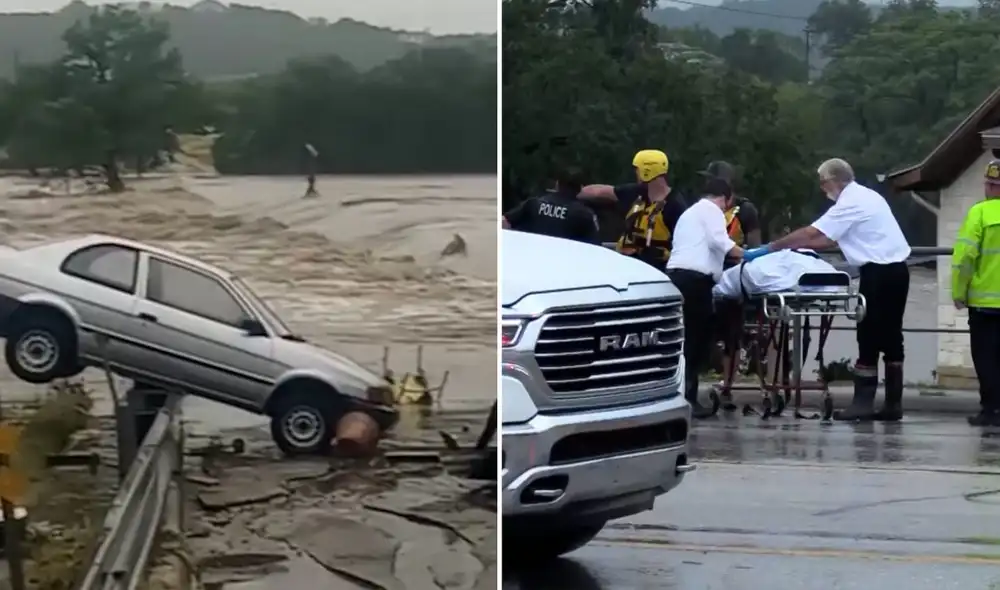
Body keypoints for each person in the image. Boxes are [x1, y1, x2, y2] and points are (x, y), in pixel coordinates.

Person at [746, 158, 911, 421]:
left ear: (833, 181)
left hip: (878, 273)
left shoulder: (850, 201)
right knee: (892, 337)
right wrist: (795, 247)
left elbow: (812, 233)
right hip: (898, 271)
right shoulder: (869, 197)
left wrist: (772, 247)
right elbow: (828, 239)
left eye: (823, 183)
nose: (823, 189)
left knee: (867, 334)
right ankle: (893, 405)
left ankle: (863, 403)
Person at [666, 176, 746, 418]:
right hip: (695, 281)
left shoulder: (690, 213)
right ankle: (689, 397)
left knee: (686, 337)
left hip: (678, 277)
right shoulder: (712, 210)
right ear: (725, 198)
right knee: (696, 340)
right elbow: (721, 243)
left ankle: (680, 393)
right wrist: (751, 254)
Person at [698, 161, 762, 396]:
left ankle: (727, 385)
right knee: (703, 330)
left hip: (732, 276)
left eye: (709, 178)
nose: (705, 183)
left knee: (731, 334)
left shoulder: (745, 210)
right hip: (705, 273)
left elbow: (754, 244)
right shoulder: (703, 209)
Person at [577, 149, 688, 269]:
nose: (636, 173)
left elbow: (685, 247)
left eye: (637, 169)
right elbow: (600, 192)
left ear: (647, 171)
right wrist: (573, 192)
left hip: (655, 270)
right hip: (625, 264)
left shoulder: (675, 206)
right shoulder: (635, 193)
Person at [952, 159, 1000, 426]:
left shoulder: (979, 214)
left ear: (989, 185)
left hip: (984, 303)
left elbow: (964, 259)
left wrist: (959, 292)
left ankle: (991, 411)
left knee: (986, 359)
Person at [501, 169, 601, 244]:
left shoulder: (534, 203)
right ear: (581, 188)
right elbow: (594, 245)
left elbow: (504, 222)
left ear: (557, 184)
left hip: (531, 259)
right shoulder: (585, 215)